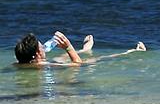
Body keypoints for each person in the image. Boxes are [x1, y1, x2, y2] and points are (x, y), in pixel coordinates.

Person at [13, 31, 146, 67]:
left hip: (43, 65)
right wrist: (68, 47)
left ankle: (84, 50)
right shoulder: (42, 64)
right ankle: (132, 51)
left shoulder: (20, 64)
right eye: (42, 47)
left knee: (60, 58)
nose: (44, 47)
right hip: (51, 68)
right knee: (96, 59)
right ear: (37, 53)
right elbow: (77, 65)